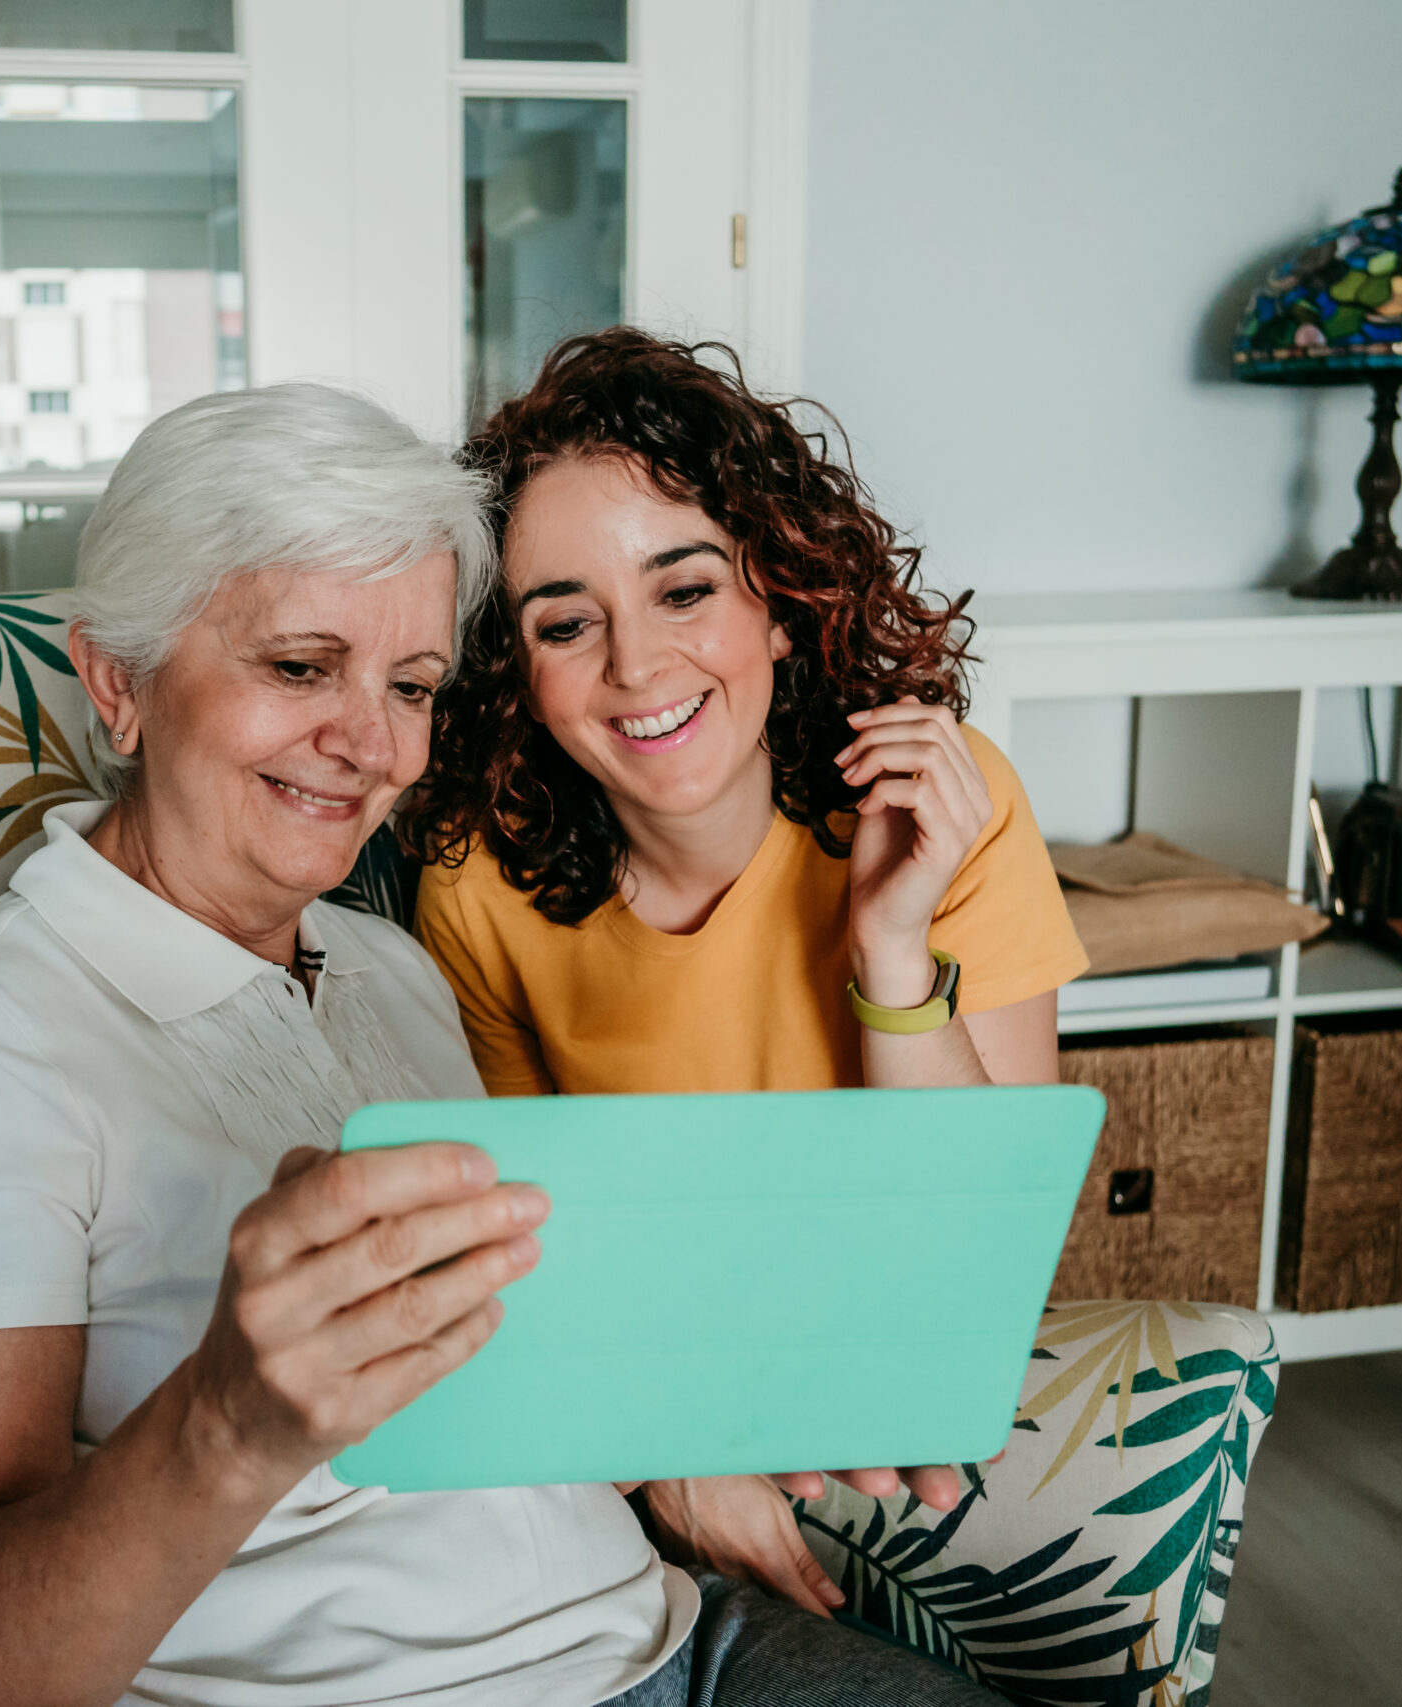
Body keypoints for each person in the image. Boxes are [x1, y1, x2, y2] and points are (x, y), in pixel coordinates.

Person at [0, 382, 1004, 1707]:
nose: (370, 746)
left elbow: (527, 1367)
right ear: (117, 679)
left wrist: (735, 1417)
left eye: (412, 684)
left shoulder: (387, 967)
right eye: (299, 666)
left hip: (673, 1640)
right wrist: (227, 1423)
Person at [408, 328, 1092, 1616]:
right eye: (568, 623)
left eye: (686, 591)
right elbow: (522, 1268)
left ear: (781, 604)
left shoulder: (953, 808)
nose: (636, 666)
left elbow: (984, 1256)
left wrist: (891, 948)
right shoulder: (476, 887)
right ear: (521, 676)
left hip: (893, 1375)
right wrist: (665, 1455)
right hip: (633, 1402)